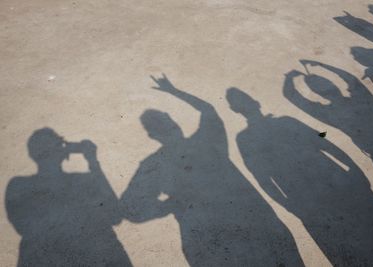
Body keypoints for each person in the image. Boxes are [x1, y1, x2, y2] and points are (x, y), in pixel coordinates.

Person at [120, 74, 304, 266]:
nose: (169, 122)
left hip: (233, 227)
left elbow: (207, 109)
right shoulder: (202, 141)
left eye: (166, 118)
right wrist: (171, 205)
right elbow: (130, 212)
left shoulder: (157, 161)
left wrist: (172, 205)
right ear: (154, 133)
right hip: (235, 226)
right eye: (164, 120)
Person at [227, 87, 373, 266]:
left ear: (235, 110)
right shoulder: (285, 122)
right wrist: (353, 167)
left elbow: (262, 179)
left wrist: (288, 205)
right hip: (340, 186)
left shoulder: (244, 140)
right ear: (257, 103)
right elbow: (323, 140)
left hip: (310, 201)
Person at [6, 128, 132, 266]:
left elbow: (115, 216)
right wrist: (92, 161)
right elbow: (115, 216)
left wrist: (93, 162)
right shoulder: (20, 185)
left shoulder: (18, 185)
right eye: (60, 143)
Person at [283, 60, 373, 198]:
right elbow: (347, 77)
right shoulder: (361, 97)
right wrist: (322, 65)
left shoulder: (331, 115)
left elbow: (294, 99)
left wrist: (290, 78)